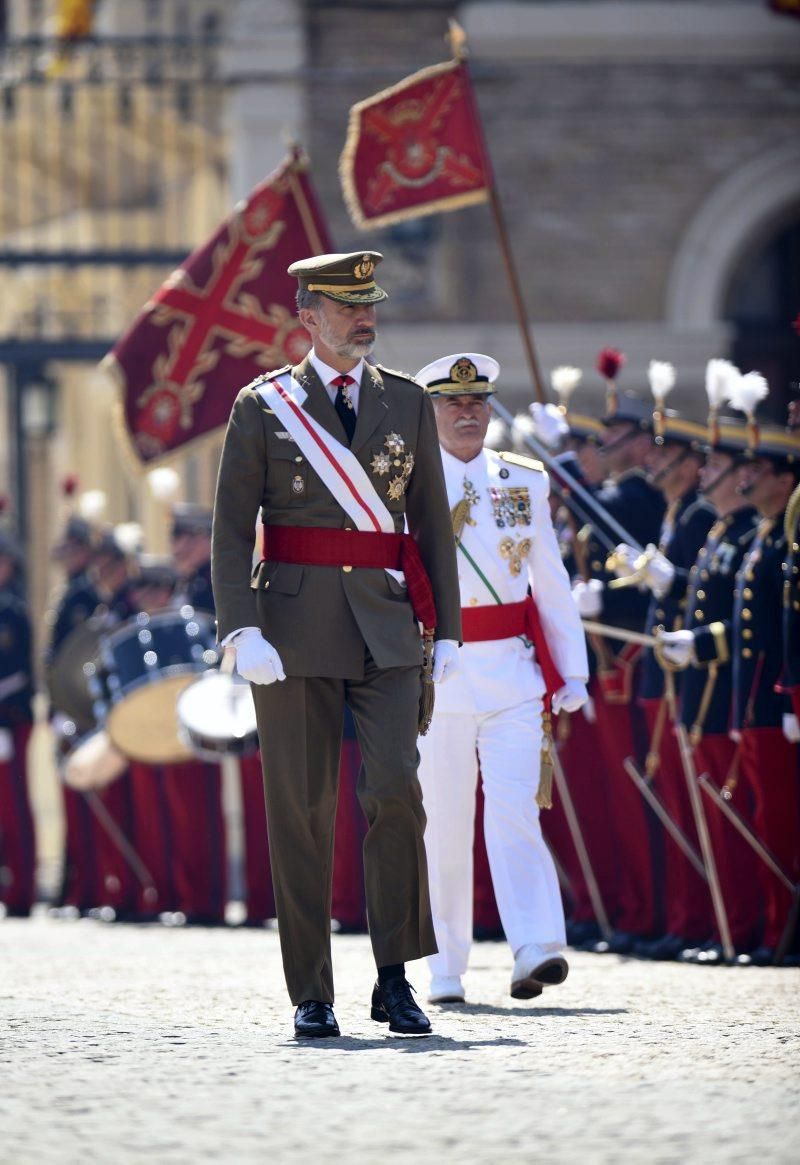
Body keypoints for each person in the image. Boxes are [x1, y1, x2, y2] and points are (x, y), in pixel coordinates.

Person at [211, 250, 461, 1039]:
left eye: (370, 305)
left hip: (387, 627)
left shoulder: (409, 402)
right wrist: (239, 626)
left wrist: (446, 628)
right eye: (348, 307)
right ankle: (311, 989)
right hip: (289, 633)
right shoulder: (264, 406)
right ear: (307, 317)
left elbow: (429, 525)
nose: (365, 318)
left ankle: (394, 978)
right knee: (302, 809)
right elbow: (228, 528)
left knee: (394, 790)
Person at [414, 353, 588, 1004]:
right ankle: (445, 965)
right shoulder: (405, 484)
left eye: (478, 402)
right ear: (430, 411)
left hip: (514, 674)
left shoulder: (525, 480)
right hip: (439, 676)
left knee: (516, 809)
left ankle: (536, 944)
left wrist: (572, 669)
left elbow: (551, 580)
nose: (468, 413)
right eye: (454, 404)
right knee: (445, 823)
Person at [609, 410, 716, 960]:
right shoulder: (677, 513)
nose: (653, 462)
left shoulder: (698, 515)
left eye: (665, 454)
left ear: (690, 463)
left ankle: (698, 918)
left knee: (688, 803)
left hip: (689, 678)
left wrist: (668, 585)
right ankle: (681, 918)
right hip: (660, 670)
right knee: (669, 804)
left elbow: (701, 597)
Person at [658, 421, 760, 963]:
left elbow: (748, 627)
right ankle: (729, 927)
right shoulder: (722, 534)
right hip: (703, 697)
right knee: (714, 824)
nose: (709, 477)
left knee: (738, 819)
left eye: (718, 469)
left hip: (727, 698)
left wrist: (696, 642)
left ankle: (749, 929)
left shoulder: (744, 536)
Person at [0, 530, 36, 917]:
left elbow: (19, 673)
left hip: (10, 717)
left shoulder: (12, 609)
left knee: (15, 809)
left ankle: (22, 890)